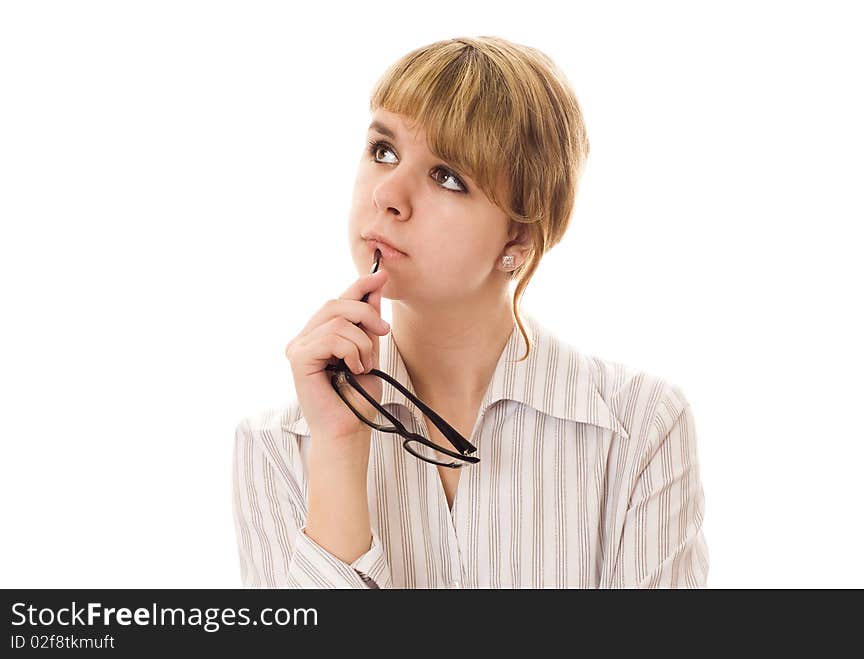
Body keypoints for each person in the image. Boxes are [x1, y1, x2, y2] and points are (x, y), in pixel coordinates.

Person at [232, 35, 709, 588]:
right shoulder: (277, 445)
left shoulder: (639, 428)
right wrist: (339, 451)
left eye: (447, 177)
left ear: (520, 237)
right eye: (383, 150)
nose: (388, 193)